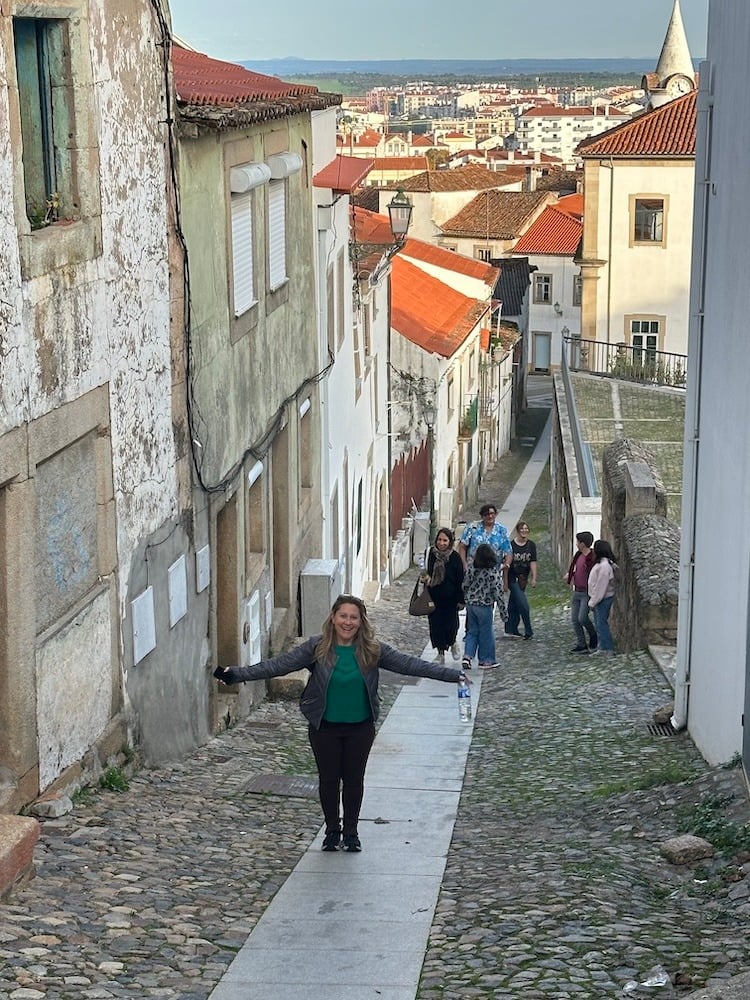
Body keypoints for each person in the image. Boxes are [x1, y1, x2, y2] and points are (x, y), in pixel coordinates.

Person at [214, 594, 467, 853]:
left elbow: (412, 665)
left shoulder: (373, 649)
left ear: (361, 621)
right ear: (333, 618)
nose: (348, 622)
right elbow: (278, 666)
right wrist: (237, 675)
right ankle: (333, 830)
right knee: (329, 779)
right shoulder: (317, 648)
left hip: (360, 726)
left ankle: (352, 832)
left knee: (354, 780)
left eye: (353, 617)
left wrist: (452, 675)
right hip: (325, 726)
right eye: (343, 616)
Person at [422, 527, 465, 663]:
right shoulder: (430, 554)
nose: (441, 543)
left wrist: (461, 599)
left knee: (451, 625)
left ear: (450, 541)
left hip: (450, 599)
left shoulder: (455, 558)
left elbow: (460, 579)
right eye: (439, 540)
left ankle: (452, 643)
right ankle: (440, 653)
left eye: (445, 540)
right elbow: (424, 570)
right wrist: (425, 578)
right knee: (436, 626)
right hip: (433, 597)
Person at [462, 543, 507, 670]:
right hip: (485, 606)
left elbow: (465, 585)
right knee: (486, 633)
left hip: (471, 605)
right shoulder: (493, 573)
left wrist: (465, 597)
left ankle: (467, 656)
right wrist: (504, 613)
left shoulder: (472, 569)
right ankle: (486, 660)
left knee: (472, 631)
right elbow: (498, 593)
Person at [565, 530, 598, 654]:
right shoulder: (578, 555)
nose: (577, 544)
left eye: (578, 542)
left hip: (586, 592)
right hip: (577, 591)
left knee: (582, 618)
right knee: (574, 619)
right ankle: (581, 644)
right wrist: (570, 576)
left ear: (583, 543)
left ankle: (593, 636)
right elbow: (575, 568)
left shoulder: (591, 557)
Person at [504, 520, 537, 640]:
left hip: (523, 579)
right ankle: (529, 630)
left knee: (514, 603)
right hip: (513, 578)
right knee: (523, 605)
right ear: (518, 531)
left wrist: (534, 578)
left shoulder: (531, 545)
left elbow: (533, 562)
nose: (524, 531)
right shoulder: (511, 545)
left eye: (526, 529)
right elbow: (506, 564)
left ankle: (511, 629)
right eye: (522, 529)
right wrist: (505, 583)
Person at [458, 503, 512, 574]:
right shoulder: (472, 527)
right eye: (486, 514)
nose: (490, 516)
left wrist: (506, 565)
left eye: (492, 513)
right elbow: (462, 547)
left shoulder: (501, 530)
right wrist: (464, 564)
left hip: (494, 571)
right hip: (473, 570)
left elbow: (508, 550)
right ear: (482, 516)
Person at [588, 539, 617, 655]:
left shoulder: (604, 567)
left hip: (603, 599)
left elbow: (601, 587)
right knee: (599, 623)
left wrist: (593, 602)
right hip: (600, 598)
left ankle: (608, 648)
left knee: (601, 624)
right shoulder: (602, 565)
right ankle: (602, 646)